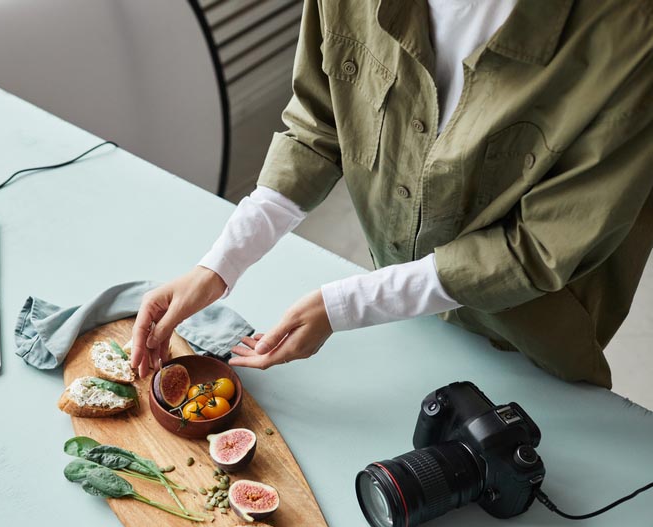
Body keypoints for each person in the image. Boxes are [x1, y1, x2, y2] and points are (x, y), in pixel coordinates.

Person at [131, 0, 653, 388]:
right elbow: (320, 126)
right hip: (400, 317)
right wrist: (219, 265)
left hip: (532, 335)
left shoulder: (631, 34)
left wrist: (348, 305)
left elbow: (540, 249)